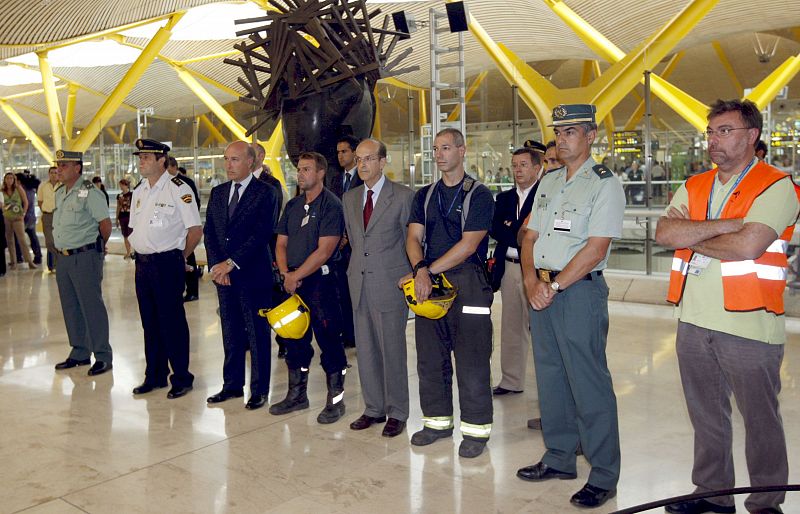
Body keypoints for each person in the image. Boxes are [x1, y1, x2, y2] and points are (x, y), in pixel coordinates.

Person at [655, 99, 799, 514]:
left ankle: (766, 503)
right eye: (711, 132)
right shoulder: (696, 184)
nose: (714, 140)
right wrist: (725, 226)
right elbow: (665, 232)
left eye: (725, 131)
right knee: (706, 415)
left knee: (760, 420)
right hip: (694, 320)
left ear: (751, 136)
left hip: (750, 323)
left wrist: (692, 234)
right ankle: (712, 496)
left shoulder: (776, 185)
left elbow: (749, 244)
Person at [516, 104, 625, 509]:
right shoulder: (550, 181)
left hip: (577, 293)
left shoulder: (604, 184)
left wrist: (555, 285)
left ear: (592, 135)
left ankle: (604, 474)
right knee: (551, 378)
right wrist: (531, 281)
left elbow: (596, 249)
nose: (562, 138)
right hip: (541, 290)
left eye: (571, 131)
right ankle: (560, 457)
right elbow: (528, 237)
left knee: (588, 382)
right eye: (558, 132)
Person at [403, 127, 495, 458]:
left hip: (468, 283)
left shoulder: (480, 195)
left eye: (445, 148)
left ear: (462, 150)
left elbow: (469, 245)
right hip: (431, 285)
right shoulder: (424, 195)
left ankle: (476, 430)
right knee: (430, 358)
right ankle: (437, 423)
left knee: (472, 360)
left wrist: (427, 270)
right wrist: (419, 271)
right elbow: (413, 238)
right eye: (435, 149)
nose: (439, 154)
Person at [342, 138, 414, 437]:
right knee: (366, 349)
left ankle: (397, 411)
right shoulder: (350, 198)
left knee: (392, 349)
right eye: (358, 159)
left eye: (368, 159)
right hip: (359, 282)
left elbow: (411, 240)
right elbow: (357, 242)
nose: (362, 164)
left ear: (383, 162)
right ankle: (374, 407)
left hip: (391, 283)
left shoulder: (403, 196)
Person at [270, 151, 349, 424]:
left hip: (320, 283)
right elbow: (280, 243)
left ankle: (335, 401)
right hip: (291, 283)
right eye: (299, 169)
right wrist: (285, 274)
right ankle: (297, 395)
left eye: (306, 169)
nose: (300, 174)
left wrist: (297, 275)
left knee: (329, 339)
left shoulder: (331, 205)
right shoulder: (292, 206)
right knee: (293, 339)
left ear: (320, 173)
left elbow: (325, 250)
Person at [204, 141, 277, 410]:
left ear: (251, 162)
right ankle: (232, 385)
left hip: (252, 274)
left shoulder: (266, 193)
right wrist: (217, 266)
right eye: (226, 159)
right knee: (230, 331)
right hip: (224, 277)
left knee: (257, 334)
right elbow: (210, 231)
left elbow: (262, 234)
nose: (229, 165)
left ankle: (259, 390)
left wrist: (231, 263)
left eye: (235, 159)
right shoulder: (218, 192)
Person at [128, 139, 202, 400]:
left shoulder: (177, 189)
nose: (141, 161)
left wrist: (179, 256)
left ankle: (181, 377)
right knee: (150, 322)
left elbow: (195, 230)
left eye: (147, 157)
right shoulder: (139, 191)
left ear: (162, 160)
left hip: (166, 262)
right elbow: (135, 228)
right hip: (143, 264)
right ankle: (155, 375)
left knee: (172, 322)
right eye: (140, 157)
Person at [51, 150, 113, 375]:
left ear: (77, 168)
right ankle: (80, 351)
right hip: (64, 258)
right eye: (58, 165)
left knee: (91, 306)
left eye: (64, 165)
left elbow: (105, 224)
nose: (59, 169)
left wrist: (96, 250)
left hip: (85, 256)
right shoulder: (60, 192)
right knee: (71, 306)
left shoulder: (90, 192)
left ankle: (103, 355)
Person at [490, 146, 542, 396]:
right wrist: (519, 233)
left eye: (523, 165)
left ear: (536, 168)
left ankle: (548, 386)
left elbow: (537, 233)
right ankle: (511, 381)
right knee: (511, 327)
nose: (518, 170)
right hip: (509, 269)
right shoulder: (504, 199)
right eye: (515, 165)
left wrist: (512, 229)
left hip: (536, 271)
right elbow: (495, 230)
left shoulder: (545, 196)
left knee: (542, 329)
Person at [326, 135, 362, 349]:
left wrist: (347, 237)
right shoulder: (335, 180)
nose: (340, 156)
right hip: (338, 248)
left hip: (356, 245)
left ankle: (357, 334)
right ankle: (347, 333)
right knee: (341, 293)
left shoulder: (364, 179)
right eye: (338, 152)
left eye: (344, 152)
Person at [251, 142, 287, 357]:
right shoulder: (238, 183)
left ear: (261, 156)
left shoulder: (271, 185)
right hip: (248, 256)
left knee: (275, 298)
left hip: (268, 251)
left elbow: (269, 222)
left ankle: (284, 339)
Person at [167, 157, 201, 302]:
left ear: (174, 167)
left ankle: (192, 291)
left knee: (188, 259)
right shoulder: (165, 184)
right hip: (173, 232)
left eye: (168, 169)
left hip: (186, 229)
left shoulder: (185, 183)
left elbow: (194, 205)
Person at [2, 172, 37, 270]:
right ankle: (13, 262)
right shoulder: (2, 190)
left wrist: (23, 214)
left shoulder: (18, 189)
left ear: (14, 180)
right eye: (7, 178)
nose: (9, 180)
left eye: (11, 178)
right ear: (4, 180)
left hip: (18, 217)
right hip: (7, 217)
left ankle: (29, 261)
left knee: (22, 240)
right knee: (9, 240)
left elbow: (26, 202)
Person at [38, 166, 61, 271]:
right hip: (47, 215)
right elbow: (40, 201)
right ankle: (57, 262)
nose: (53, 174)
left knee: (58, 240)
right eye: (51, 172)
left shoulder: (62, 186)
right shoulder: (43, 185)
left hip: (59, 216)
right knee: (49, 241)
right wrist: (45, 210)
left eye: (55, 172)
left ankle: (53, 265)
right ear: (49, 174)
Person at [17, 172, 42, 266]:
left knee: (18, 239)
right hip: (31, 217)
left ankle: (19, 257)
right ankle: (38, 256)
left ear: (19, 181)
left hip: (22, 217)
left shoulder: (21, 190)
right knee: (33, 238)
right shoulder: (31, 189)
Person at [116, 179, 133, 259]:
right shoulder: (119, 196)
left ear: (126, 185)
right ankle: (128, 252)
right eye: (120, 185)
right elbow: (118, 207)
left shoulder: (132, 194)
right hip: (122, 217)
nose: (121, 187)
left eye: (122, 185)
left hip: (130, 217)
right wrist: (116, 218)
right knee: (125, 235)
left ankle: (133, 251)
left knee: (131, 235)